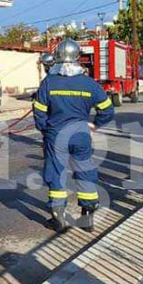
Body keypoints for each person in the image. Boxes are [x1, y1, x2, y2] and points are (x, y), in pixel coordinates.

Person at [33, 40, 115, 233]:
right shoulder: (89, 83)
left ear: (57, 57)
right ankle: (87, 217)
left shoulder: (49, 82)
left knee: (56, 173)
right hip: (81, 134)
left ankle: (58, 218)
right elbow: (107, 109)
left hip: (56, 135)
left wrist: (46, 129)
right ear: (78, 57)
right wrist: (96, 124)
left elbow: (39, 113)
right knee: (85, 171)